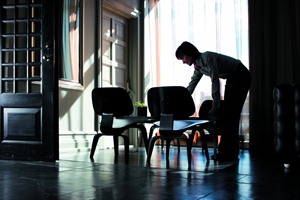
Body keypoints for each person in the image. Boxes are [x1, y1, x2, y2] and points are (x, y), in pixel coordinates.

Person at [175, 41, 251, 162]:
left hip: (240, 75)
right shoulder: (198, 67)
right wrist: (179, 100)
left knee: (231, 115)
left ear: (189, 54)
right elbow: (191, 86)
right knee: (228, 115)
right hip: (232, 77)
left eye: (183, 57)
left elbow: (215, 81)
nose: (183, 61)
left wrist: (216, 105)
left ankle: (228, 153)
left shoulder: (207, 57)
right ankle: (226, 152)